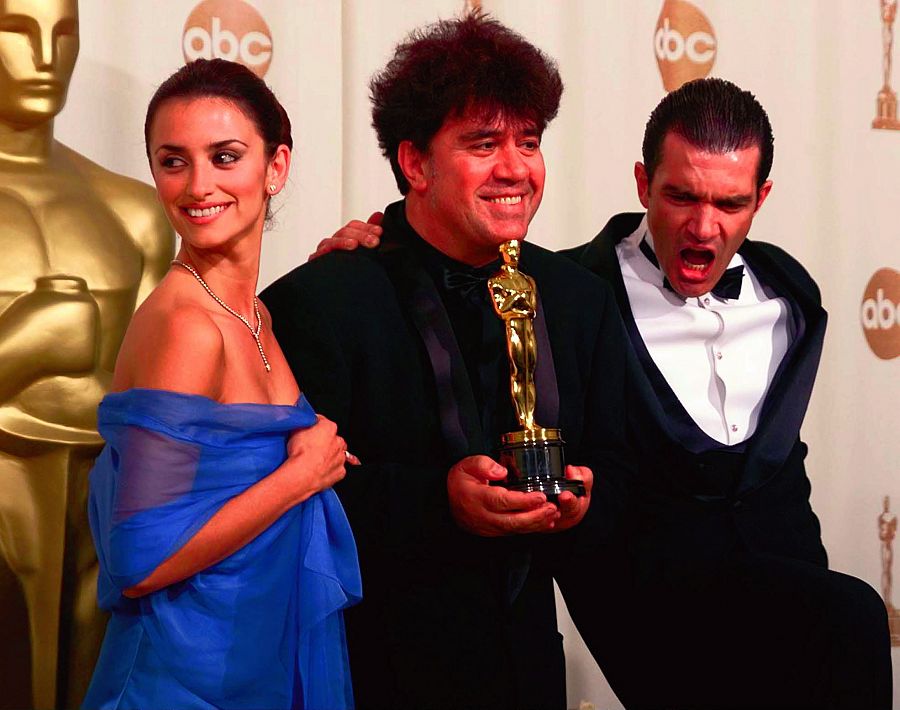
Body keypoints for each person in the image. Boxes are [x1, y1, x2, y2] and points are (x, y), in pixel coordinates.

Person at [317, 77, 892, 708]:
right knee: (858, 613)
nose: (704, 226)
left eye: (731, 203)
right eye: (680, 196)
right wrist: (379, 243)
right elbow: (452, 284)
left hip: (794, 581)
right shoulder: (571, 291)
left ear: (761, 198)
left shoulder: (791, 290)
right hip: (659, 603)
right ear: (644, 184)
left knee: (844, 625)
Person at [261, 13, 633, 710]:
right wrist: (442, 504)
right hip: (370, 675)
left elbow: (626, 470)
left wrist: (587, 498)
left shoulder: (579, 303)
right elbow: (290, 505)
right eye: (483, 143)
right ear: (414, 163)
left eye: (529, 142)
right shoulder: (320, 302)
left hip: (528, 677)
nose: (516, 168)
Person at [83, 58, 361, 710]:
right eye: (173, 161)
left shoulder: (254, 312)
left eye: (225, 156)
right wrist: (300, 476)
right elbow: (139, 560)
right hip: (178, 681)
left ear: (277, 167)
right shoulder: (185, 326)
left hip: (250, 663)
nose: (197, 184)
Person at [0, 1, 174, 706]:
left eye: (63, 35)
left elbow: (169, 392)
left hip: (110, 518)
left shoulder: (132, 211)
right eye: (17, 33)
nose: (45, 57)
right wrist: (24, 346)